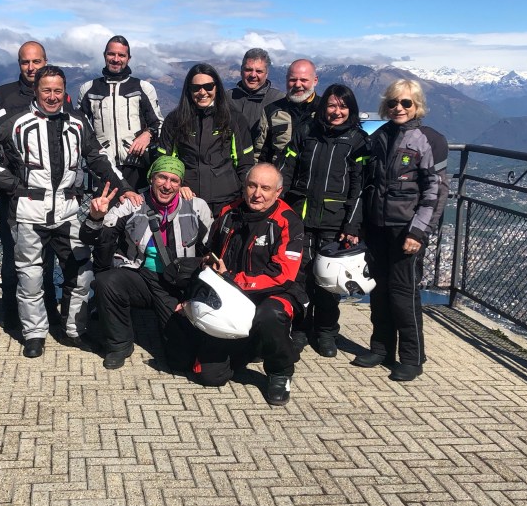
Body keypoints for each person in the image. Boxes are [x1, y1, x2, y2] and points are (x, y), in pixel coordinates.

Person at [0, 65, 134, 358]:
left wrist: (123, 186)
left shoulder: (77, 121)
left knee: (82, 273)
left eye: (57, 90)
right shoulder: (13, 117)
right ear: (36, 90)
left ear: (64, 92)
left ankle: (73, 331)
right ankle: (34, 334)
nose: (52, 96)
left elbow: (97, 157)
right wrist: (8, 181)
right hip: (28, 212)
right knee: (30, 278)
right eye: (46, 90)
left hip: (68, 213)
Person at [352, 79, 448, 382]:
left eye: (406, 102)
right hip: (377, 227)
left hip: (406, 230)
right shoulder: (379, 136)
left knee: (404, 294)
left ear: (417, 106)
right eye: (393, 102)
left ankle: (412, 357)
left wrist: (417, 233)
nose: (399, 108)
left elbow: (436, 191)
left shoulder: (430, 140)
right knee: (379, 292)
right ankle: (381, 349)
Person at [79, 155, 212, 370]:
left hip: (176, 283)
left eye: (174, 180)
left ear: (181, 184)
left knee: (180, 361)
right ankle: (119, 345)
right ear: (151, 178)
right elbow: (94, 239)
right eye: (161, 177)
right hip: (140, 276)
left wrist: (195, 295)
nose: (167, 185)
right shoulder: (131, 204)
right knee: (107, 281)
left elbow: (210, 250)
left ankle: (168, 328)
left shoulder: (197, 206)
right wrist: (95, 217)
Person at [191, 163, 307, 406]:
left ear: (278, 192)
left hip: (276, 293)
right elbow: (210, 251)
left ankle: (280, 371)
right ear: (244, 187)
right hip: (232, 292)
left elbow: (283, 275)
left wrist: (233, 279)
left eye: (265, 188)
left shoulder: (288, 220)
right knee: (210, 376)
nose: (257, 194)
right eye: (252, 186)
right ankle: (252, 345)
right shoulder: (228, 212)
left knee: (270, 315)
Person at [0, 41, 70, 330]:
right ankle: (12, 313)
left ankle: (47, 310)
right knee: (14, 255)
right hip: (15, 193)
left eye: (36, 62)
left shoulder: (60, 95)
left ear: (45, 61)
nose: (31, 67)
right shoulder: (1, 95)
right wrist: (4, 179)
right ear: (19, 64)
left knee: (48, 256)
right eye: (25, 62)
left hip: (51, 194)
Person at [279, 84, 369, 357]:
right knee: (300, 279)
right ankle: (300, 329)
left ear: (351, 109)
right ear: (323, 107)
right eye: (331, 105)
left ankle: (326, 332)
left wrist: (351, 225)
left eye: (343, 106)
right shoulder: (306, 131)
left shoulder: (358, 141)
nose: (336, 111)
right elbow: (286, 169)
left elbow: (360, 188)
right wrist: (278, 206)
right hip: (301, 218)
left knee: (330, 282)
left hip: (335, 222)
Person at [156, 63, 255, 217]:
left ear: (217, 87)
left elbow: (245, 164)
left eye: (208, 86)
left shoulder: (234, 118)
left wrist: (244, 198)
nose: (202, 92)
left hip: (227, 201)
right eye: (196, 88)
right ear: (188, 90)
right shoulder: (175, 120)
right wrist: (178, 186)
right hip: (187, 199)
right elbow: (164, 162)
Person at [78, 35, 164, 190]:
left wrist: (148, 134)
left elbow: (158, 123)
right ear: (104, 55)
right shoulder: (89, 89)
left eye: (121, 55)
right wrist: (94, 150)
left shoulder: (143, 88)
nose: (116, 59)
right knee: (105, 206)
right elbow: (79, 127)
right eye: (111, 54)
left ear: (128, 58)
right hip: (103, 165)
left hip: (137, 165)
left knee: (137, 205)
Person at [255, 59, 322, 163]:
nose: (298, 85)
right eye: (293, 80)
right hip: (278, 170)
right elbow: (260, 152)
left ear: (315, 80)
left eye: (304, 80)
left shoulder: (325, 110)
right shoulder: (272, 110)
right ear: (286, 80)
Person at [229, 48, 283, 154]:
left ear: (266, 74)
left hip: (264, 161)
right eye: (248, 70)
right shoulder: (226, 98)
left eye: (259, 71)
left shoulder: (279, 100)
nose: (253, 75)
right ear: (241, 71)